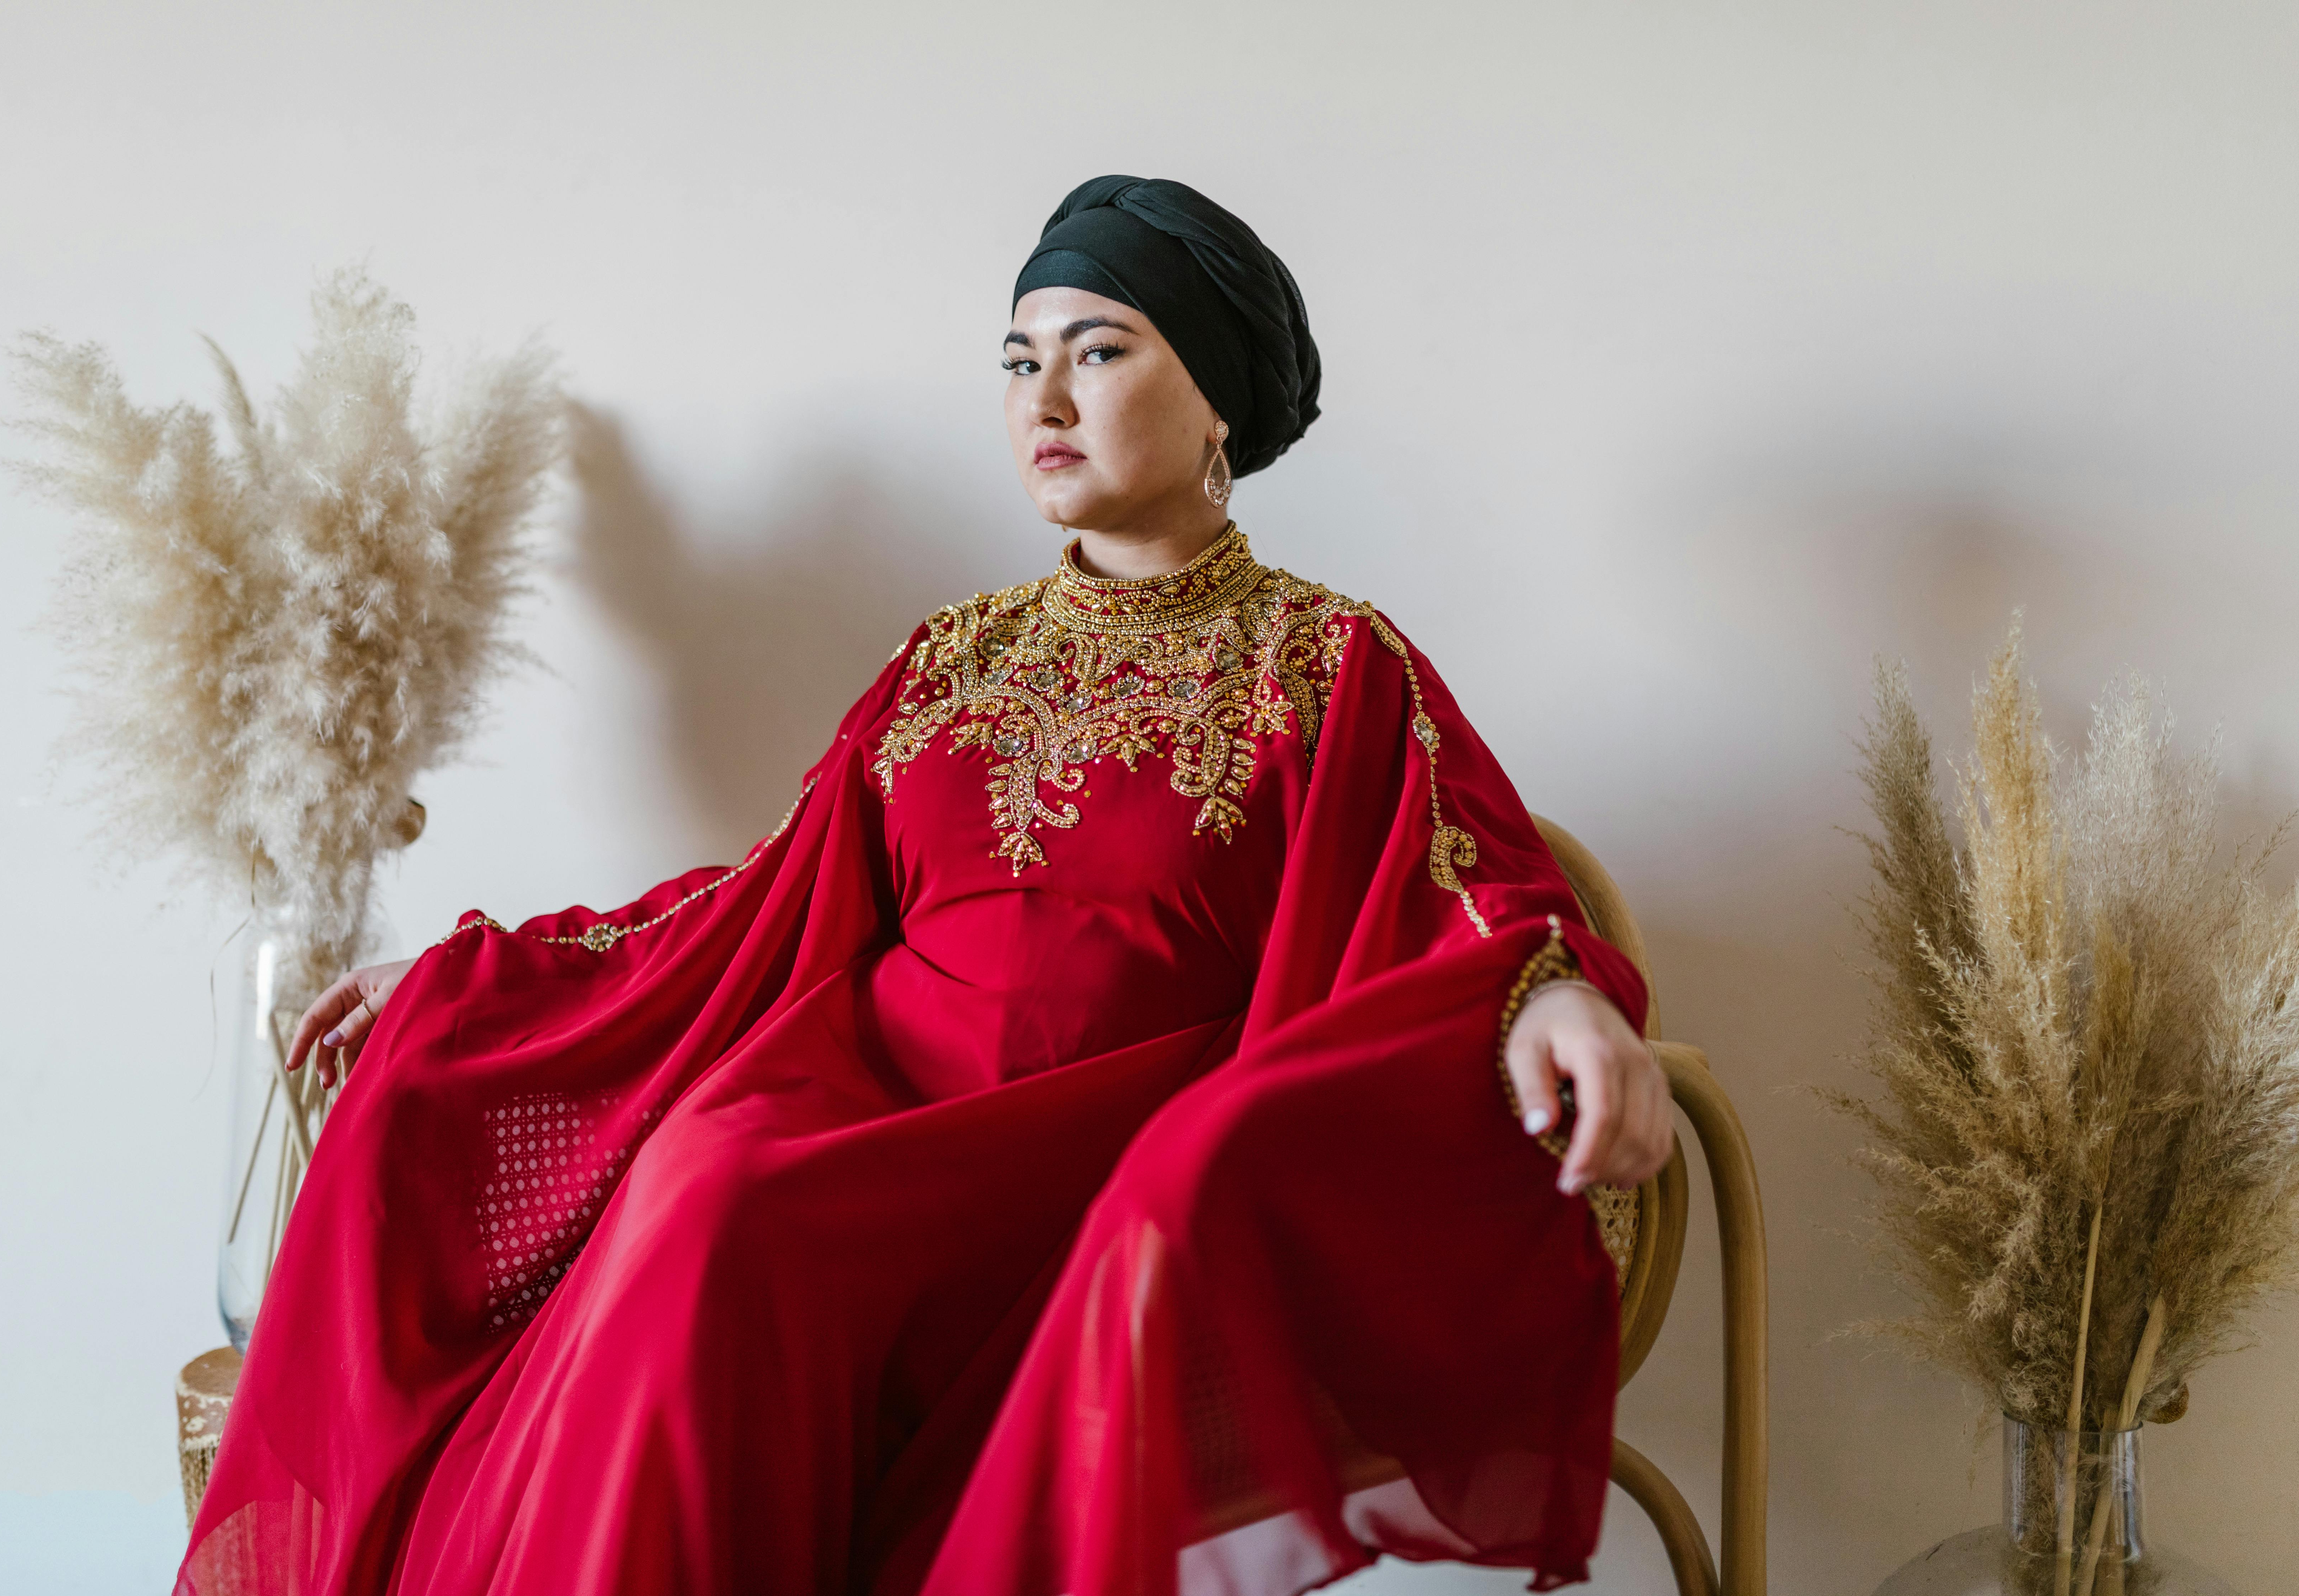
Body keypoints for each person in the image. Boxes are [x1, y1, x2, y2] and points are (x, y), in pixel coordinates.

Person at [178, 175, 1674, 1596]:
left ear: (1217, 394)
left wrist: (1564, 1005)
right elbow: (769, 893)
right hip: (856, 1100)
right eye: (1019, 360)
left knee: (730, 1201)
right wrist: (477, 980)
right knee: (710, 1185)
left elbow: (1473, 881)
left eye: (1100, 351)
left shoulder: (1332, 664)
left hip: (1092, 1165)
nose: (1045, 399)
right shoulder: (955, 656)